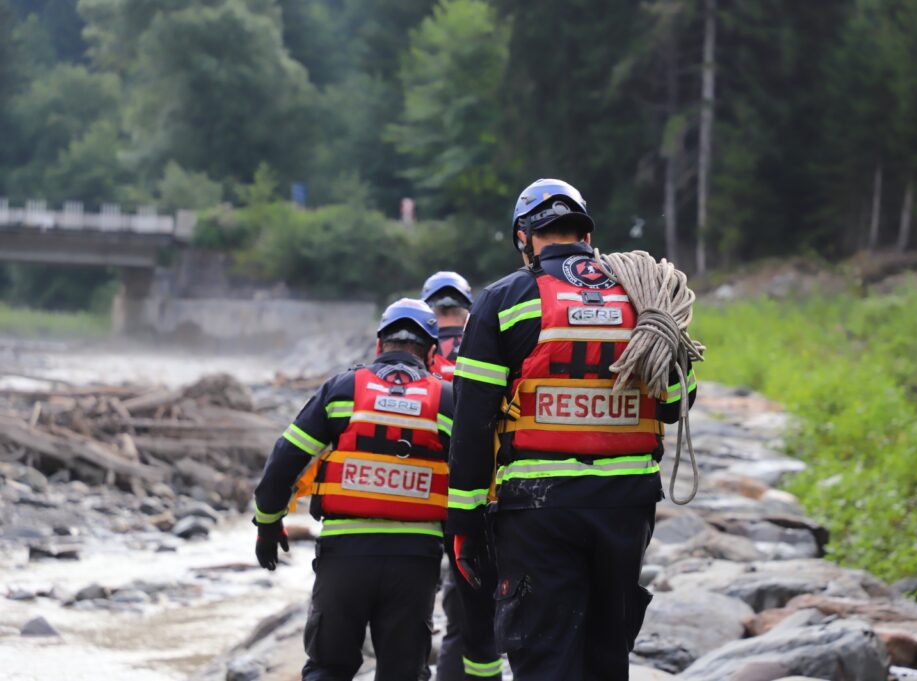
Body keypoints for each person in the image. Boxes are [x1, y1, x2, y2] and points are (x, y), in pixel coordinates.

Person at [446, 179, 697, 680]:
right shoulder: (645, 296)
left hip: (538, 509)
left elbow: (472, 421)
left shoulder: (505, 299)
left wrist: (465, 521)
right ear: (586, 231)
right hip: (626, 507)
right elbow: (674, 405)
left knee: (544, 657)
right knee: (606, 655)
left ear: (524, 237)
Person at [253, 298, 455, 681]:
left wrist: (267, 524)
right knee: (405, 673)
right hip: (415, 561)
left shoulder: (343, 390)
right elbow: (474, 476)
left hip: (345, 554)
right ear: (431, 353)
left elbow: (283, 462)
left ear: (379, 345)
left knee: (329, 668)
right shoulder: (446, 399)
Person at [421, 272, 503, 681]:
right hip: (475, 494)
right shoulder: (485, 335)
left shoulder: (418, 344)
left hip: (420, 497)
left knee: (411, 609)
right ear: (466, 306)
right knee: (469, 611)